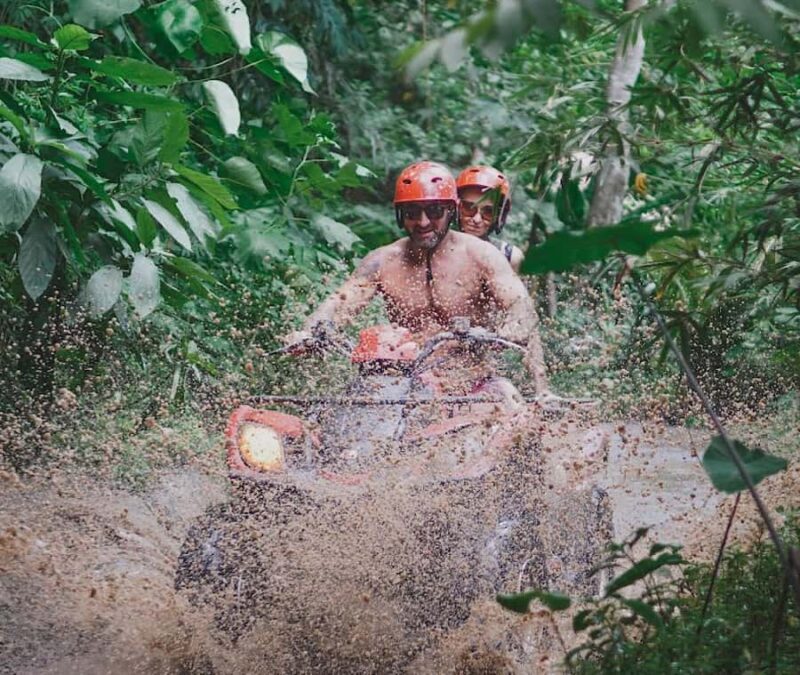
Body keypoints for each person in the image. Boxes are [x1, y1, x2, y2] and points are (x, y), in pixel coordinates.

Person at [284, 161, 549, 396]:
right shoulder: (382, 261)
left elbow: (519, 303)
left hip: (472, 386)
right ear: (401, 215)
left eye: (434, 211)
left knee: (507, 403)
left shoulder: (483, 255)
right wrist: (308, 333)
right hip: (402, 388)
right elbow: (339, 303)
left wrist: (511, 328)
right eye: (412, 213)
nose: (423, 222)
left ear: (450, 211)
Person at [456, 165, 524, 273]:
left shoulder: (509, 257)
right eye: (469, 208)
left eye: (488, 212)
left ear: (498, 215)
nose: (477, 219)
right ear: (457, 206)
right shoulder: (437, 250)